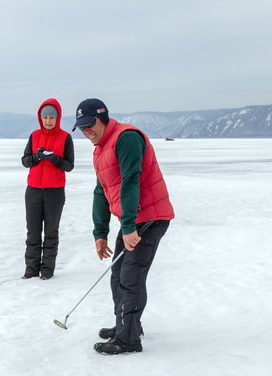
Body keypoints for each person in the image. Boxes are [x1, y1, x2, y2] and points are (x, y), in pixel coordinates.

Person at [72, 98, 174, 355]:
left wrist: (128, 227)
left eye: (90, 125)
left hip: (150, 218)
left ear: (103, 117)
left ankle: (128, 339)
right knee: (118, 275)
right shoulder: (101, 149)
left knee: (131, 278)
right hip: (133, 219)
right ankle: (126, 326)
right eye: (82, 128)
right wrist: (100, 234)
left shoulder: (126, 138)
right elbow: (101, 192)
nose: (87, 132)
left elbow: (131, 182)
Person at [20, 98, 74, 280]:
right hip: (33, 191)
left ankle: (47, 271)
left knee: (51, 232)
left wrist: (55, 159)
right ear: (40, 118)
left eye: (52, 117)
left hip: (55, 192)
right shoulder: (34, 136)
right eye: (45, 117)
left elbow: (69, 165)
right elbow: (25, 160)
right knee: (33, 232)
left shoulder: (65, 137)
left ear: (57, 118)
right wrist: (37, 157)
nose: (48, 120)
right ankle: (31, 270)